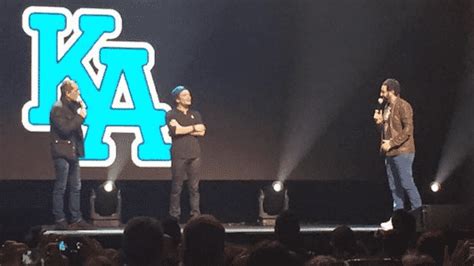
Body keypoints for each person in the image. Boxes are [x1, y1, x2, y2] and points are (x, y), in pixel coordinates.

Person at [373, 79, 422, 230]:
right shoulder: (387, 107)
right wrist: (379, 123)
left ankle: (417, 217)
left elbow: (408, 131)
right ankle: (397, 219)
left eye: (383, 91)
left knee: (407, 183)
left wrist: (391, 143)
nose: (381, 95)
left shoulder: (403, 106)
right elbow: (386, 131)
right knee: (395, 187)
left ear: (392, 91)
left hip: (403, 151)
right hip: (390, 153)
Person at [50, 79, 90, 230]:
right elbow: (65, 129)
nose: (79, 93)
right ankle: (60, 219)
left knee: (76, 186)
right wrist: (80, 117)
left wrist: (81, 106)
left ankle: (76, 218)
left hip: (74, 152)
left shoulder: (74, 107)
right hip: (62, 152)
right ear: (67, 93)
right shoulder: (57, 108)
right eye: (76, 90)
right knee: (61, 186)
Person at [166, 86, 206, 220]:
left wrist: (183, 128)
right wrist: (193, 128)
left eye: (189, 95)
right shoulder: (171, 114)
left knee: (194, 187)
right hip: (179, 154)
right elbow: (175, 131)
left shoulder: (195, 114)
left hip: (195, 154)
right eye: (184, 95)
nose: (188, 97)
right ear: (177, 99)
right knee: (177, 187)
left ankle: (195, 215)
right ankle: (174, 215)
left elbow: (202, 131)